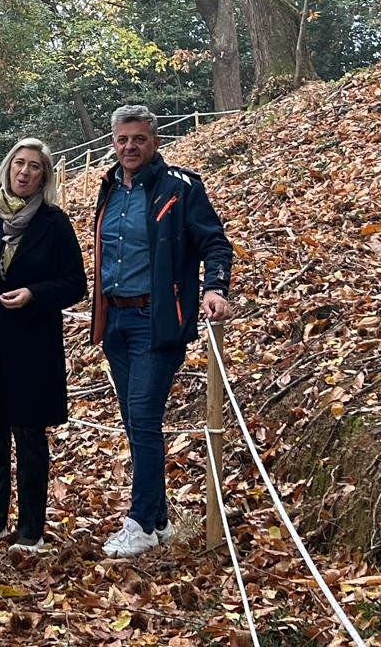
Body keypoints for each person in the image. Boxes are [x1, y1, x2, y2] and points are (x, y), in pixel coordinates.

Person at [91, 103, 231, 559]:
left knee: (145, 417)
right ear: (113, 143)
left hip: (158, 320)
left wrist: (214, 288)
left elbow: (214, 242)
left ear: (155, 142)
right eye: (122, 139)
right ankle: (160, 520)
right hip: (115, 320)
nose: (129, 147)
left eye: (139, 139)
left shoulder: (180, 187)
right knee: (135, 422)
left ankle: (140, 522)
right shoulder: (108, 187)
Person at [0, 137, 86, 552]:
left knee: (29, 434)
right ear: (7, 168)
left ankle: (30, 530)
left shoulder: (54, 222)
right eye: (19, 164)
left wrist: (35, 293)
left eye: (34, 167)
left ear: (44, 177)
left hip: (32, 343)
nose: (24, 172)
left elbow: (75, 284)